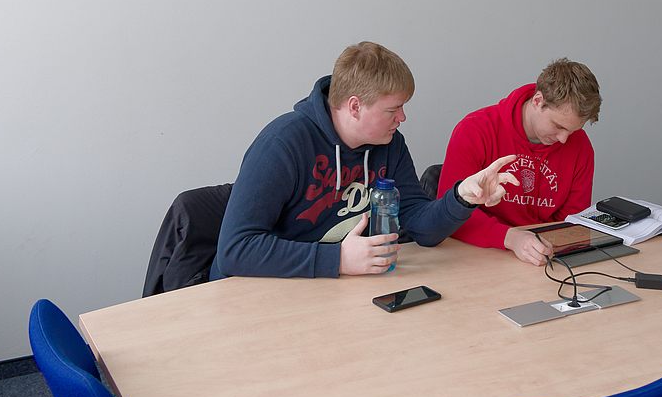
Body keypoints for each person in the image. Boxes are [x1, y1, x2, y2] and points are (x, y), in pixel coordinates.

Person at [212, 42, 518, 279]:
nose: (402, 118)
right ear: (355, 106)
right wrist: (338, 260)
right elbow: (235, 250)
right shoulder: (282, 145)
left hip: (336, 288)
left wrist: (462, 197)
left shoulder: (390, 144)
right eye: (392, 110)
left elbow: (422, 229)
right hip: (262, 293)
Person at [436, 58, 601, 266]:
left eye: (572, 130)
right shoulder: (475, 130)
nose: (563, 139)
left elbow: (571, 223)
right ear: (538, 101)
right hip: (480, 255)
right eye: (558, 126)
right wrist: (510, 238)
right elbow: (448, 215)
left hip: (543, 259)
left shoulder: (580, 146)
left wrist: (542, 246)